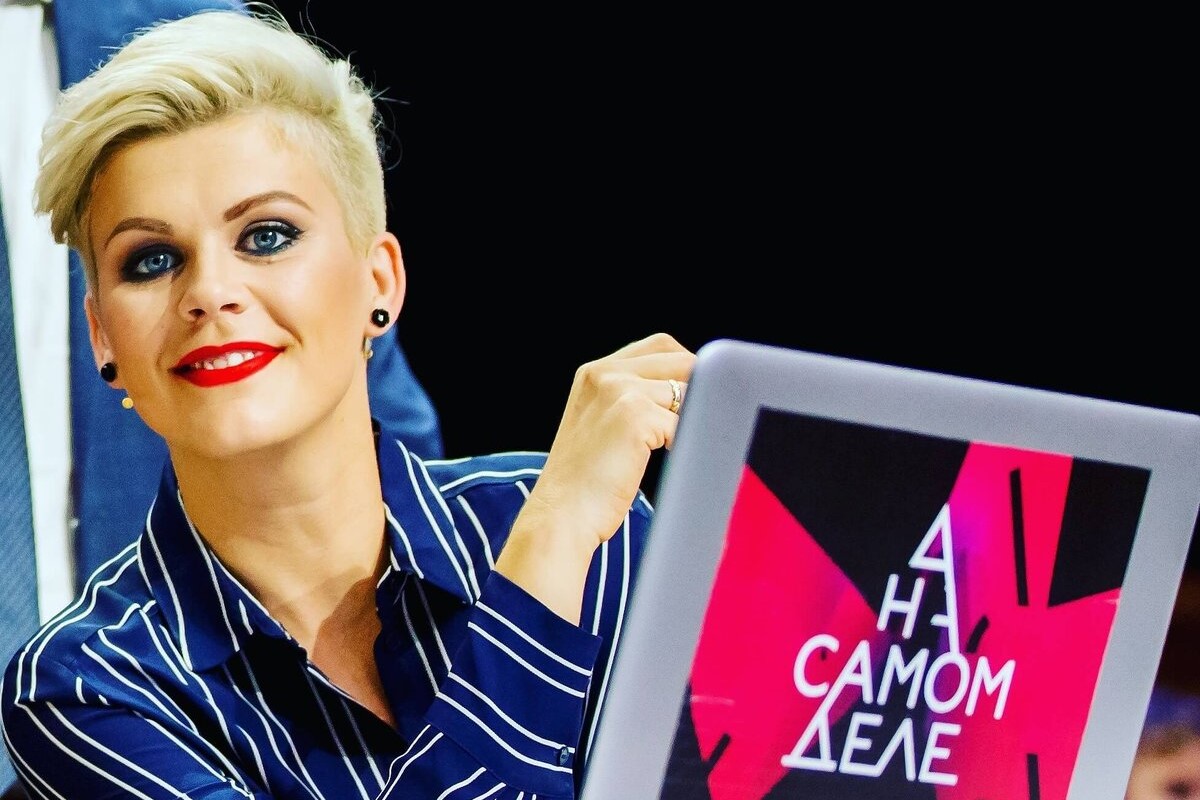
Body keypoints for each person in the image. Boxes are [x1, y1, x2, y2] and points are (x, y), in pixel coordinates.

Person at [0, 5, 695, 798]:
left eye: (266, 236)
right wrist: (548, 551)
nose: (210, 292)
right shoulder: (88, 689)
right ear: (103, 338)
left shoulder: (601, 538)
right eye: (152, 259)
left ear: (379, 282)